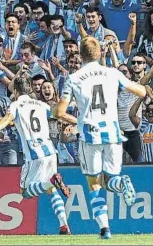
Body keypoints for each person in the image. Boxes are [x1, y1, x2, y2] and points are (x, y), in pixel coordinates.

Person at [56, 36, 149, 239]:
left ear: (80, 55)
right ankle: (122, 182)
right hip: (114, 133)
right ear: (99, 54)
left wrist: (77, 118)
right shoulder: (112, 73)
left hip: (90, 135)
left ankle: (105, 228)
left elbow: (59, 112)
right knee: (110, 180)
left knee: (94, 183)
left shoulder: (74, 78)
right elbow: (140, 91)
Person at [0, 76, 76, 235]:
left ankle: (51, 181)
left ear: (15, 91)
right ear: (30, 89)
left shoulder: (16, 104)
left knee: (25, 192)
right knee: (51, 191)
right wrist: (79, 122)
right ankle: (64, 226)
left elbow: (7, 118)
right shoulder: (41, 104)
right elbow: (60, 114)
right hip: (50, 152)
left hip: (34, 155)